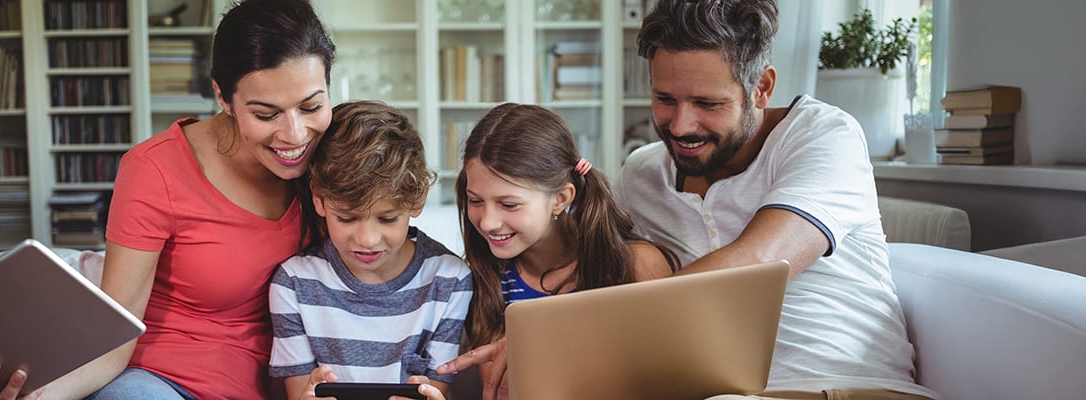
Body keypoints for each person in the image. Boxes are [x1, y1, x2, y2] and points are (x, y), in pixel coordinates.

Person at [0, 0, 337, 399]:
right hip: (164, 383)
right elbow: (115, 337)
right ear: (223, 97)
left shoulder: (335, 156)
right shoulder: (154, 170)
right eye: (265, 114)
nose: (294, 135)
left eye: (311, 105)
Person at [619, 0, 934, 398]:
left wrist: (604, 331)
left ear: (761, 88)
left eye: (707, 103)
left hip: (847, 388)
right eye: (665, 99)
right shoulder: (640, 175)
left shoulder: (822, 134)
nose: (681, 125)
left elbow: (757, 265)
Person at [433, 103, 679, 400]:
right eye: (475, 200)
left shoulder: (636, 265)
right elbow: (503, 391)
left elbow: (666, 380)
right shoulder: (489, 277)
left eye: (509, 204)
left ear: (561, 198)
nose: (488, 222)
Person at [266, 101, 468, 400]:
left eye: (388, 218)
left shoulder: (450, 279)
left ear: (418, 198)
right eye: (347, 218)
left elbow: (434, 388)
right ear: (319, 200)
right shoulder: (294, 283)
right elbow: (299, 394)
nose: (367, 239)